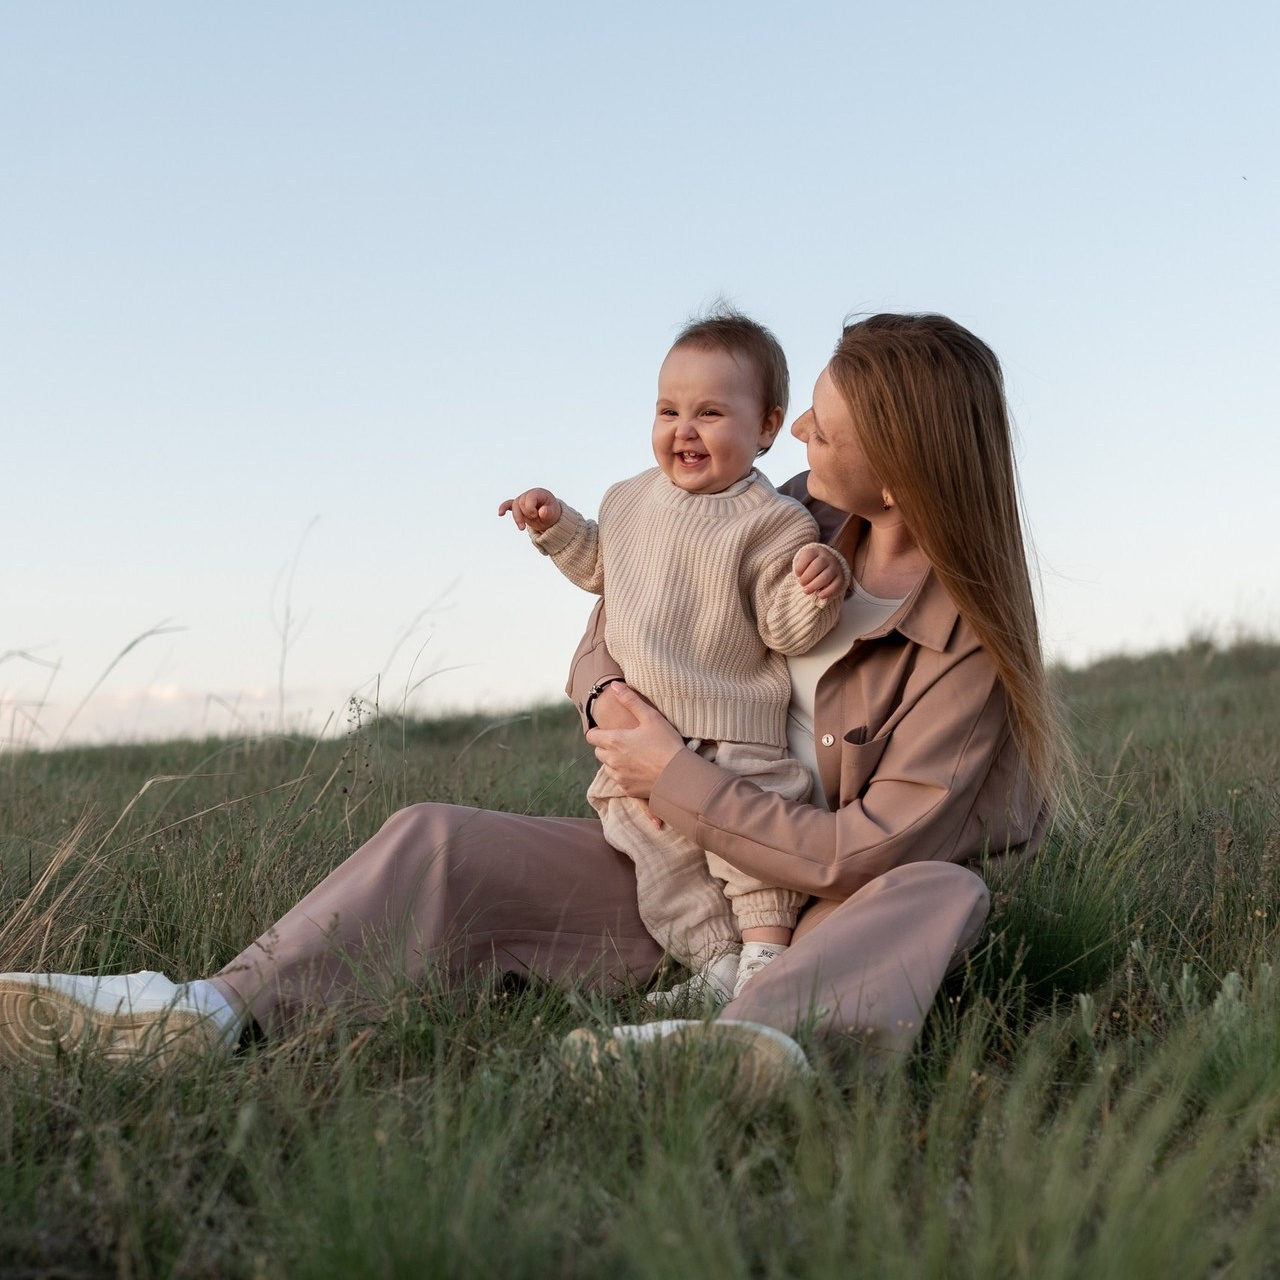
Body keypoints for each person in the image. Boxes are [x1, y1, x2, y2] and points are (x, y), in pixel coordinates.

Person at [0, 312, 1056, 1097]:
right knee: (436, 837)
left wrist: (675, 777)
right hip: (668, 869)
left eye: (820, 433)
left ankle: (752, 1041)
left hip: (828, 912)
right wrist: (605, 693)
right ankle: (210, 1010)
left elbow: (858, 854)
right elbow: (630, 594)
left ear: (900, 474)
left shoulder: (964, 642)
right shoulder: (781, 510)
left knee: (933, 890)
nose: (795, 448)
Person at [499, 311, 849, 1007]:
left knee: (746, 857)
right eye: (668, 410)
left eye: (710, 412)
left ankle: (765, 956)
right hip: (637, 741)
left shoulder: (773, 521)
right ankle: (717, 964)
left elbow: (784, 629)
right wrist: (556, 525)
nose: (683, 430)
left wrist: (814, 585)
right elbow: (602, 563)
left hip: (733, 733)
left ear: (767, 427)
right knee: (656, 860)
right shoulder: (628, 501)